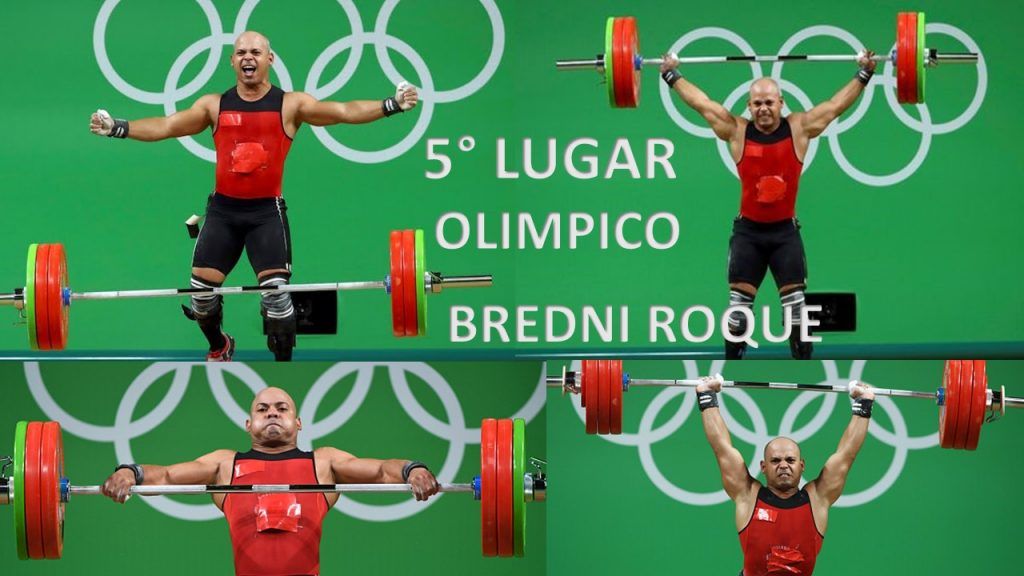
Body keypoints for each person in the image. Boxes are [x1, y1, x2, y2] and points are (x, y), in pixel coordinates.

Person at [90, 31, 419, 362]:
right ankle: (219, 345)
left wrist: (391, 105)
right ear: (232, 61)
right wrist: (117, 127)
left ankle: (283, 365)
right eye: (242, 52)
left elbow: (344, 111)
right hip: (223, 213)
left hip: (266, 215)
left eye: (256, 52)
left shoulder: (291, 105)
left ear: (270, 59)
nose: (249, 57)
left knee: (276, 301)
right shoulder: (213, 105)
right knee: (201, 298)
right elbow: (166, 126)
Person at [660, 51, 877, 359]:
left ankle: (806, 376)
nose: (763, 109)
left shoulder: (800, 128)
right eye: (757, 103)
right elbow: (701, 104)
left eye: (769, 102)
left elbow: (835, 106)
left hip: (784, 235)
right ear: (749, 106)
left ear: (781, 102)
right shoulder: (736, 131)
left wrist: (864, 74)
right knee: (737, 317)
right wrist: (671, 75)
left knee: (798, 319)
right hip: (748, 235)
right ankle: (730, 372)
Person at [101, 387, 440, 576]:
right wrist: (131, 472)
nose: (273, 413)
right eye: (263, 409)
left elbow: (382, 470)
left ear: (298, 422)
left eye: (282, 408)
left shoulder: (322, 462)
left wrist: (413, 470)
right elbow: (166, 476)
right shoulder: (225, 464)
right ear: (248, 424)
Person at [696, 375, 875, 575]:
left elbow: (846, 455)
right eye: (775, 461)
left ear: (801, 465)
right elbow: (722, 448)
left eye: (790, 460)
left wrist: (863, 404)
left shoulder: (818, 498)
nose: (783, 466)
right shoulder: (748, 495)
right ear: (763, 466)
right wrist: (707, 396)